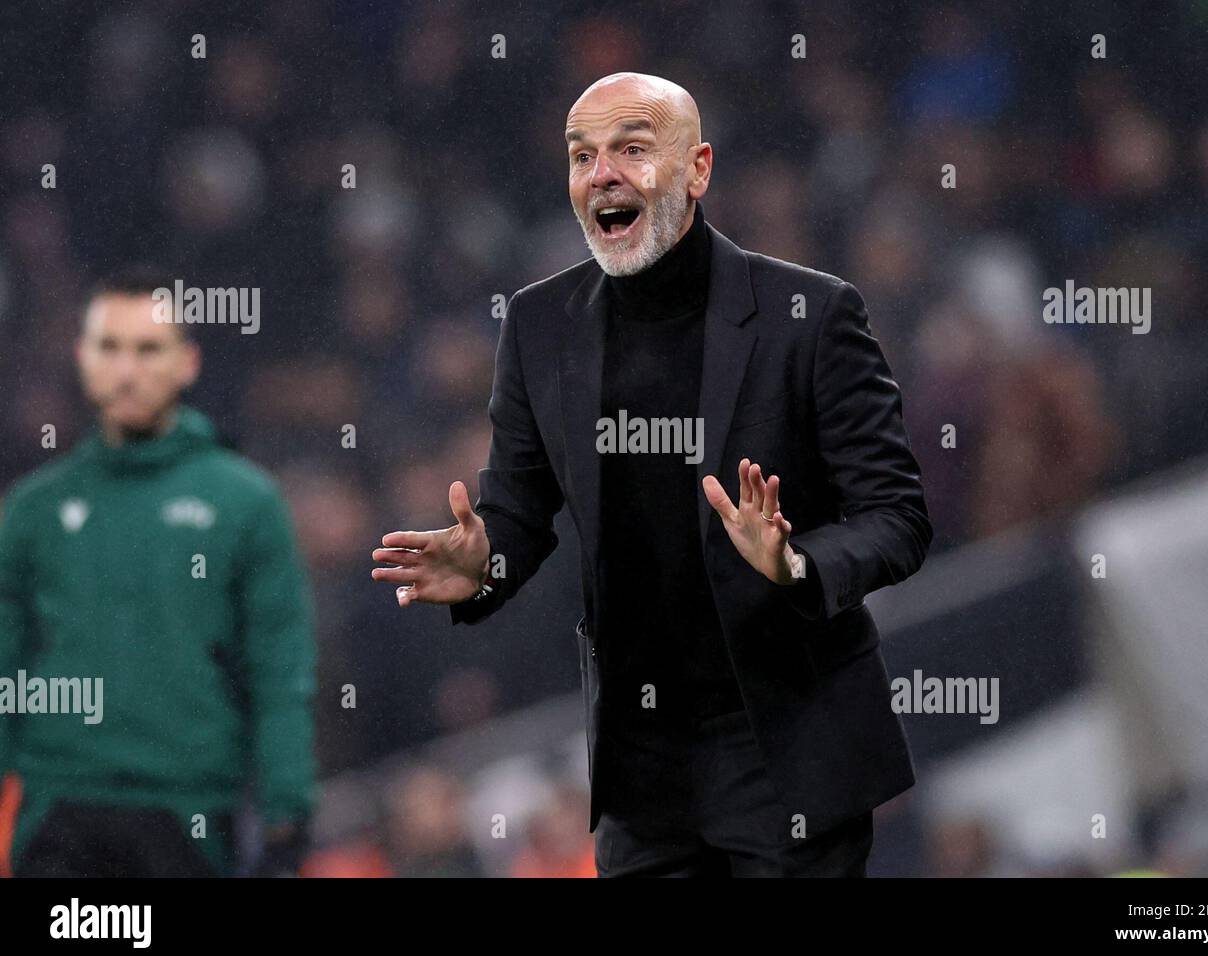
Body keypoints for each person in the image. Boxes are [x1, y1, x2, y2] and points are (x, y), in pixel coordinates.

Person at [371, 73, 932, 876]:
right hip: (641, 775)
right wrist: (483, 562)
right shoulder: (537, 325)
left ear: (697, 169)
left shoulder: (811, 314)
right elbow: (518, 513)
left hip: (788, 749)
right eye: (582, 156)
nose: (602, 173)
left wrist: (796, 563)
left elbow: (897, 517)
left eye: (632, 149)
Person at [0, 268, 318, 877]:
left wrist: (288, 811)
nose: (126, 370)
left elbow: (281, 672)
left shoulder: (245, 504)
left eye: (148, 350)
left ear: (187, 362)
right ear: (82, 358)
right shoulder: (32, 510)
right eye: (109, 348)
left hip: (188, 810)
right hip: (56, 808)